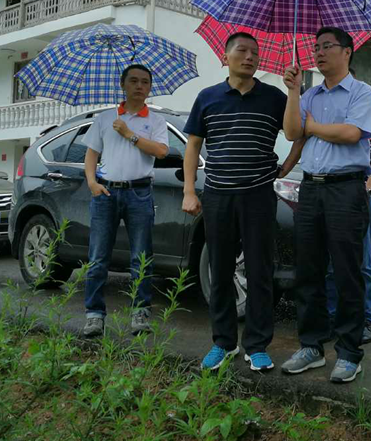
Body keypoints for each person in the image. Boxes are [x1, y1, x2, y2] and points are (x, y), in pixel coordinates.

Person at [183, 32, 291, 372]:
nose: (250, 57)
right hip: (218, 196)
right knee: (220, 270)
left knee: (260, 271)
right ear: (225, 57)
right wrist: (189, 190)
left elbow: (296, 133)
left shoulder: (274, 97)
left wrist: (286, 167)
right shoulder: (208, 97)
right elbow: (193, 146)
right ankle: (223, 343)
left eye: (255, 52)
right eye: (242, 50)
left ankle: (256, 345)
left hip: (259, 195)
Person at [280, 26, 371, 384]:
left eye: (326, 46)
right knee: (308, 270)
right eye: (315, 47)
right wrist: (293, 92)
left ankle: (349, 352)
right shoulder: (309, 95)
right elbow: (293, 132)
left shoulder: (362, 92)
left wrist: (314, 126)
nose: (318, 52)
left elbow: (352, 133)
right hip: (311, 189)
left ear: (347, 51)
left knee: (348, 271)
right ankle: (312, 346)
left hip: (346, 189)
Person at [82, 64, 169, 338]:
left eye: (145, 82)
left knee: (141, 257)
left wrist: (129, 134)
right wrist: (92, 183)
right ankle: (94, 315)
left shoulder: (155, 120)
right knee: (98, 257)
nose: (139, 86)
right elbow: (91, 154)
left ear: (150, 88)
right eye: (133, 81)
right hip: (106, 193)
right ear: (123, 85)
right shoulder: (106, 118)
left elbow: (161, 151)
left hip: (139, 193)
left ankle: (140, 313)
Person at [325, 67, 371, 345]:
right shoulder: (325, 110)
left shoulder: (368, 107)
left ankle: (366, 318)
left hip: (359, 194)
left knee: (363, 261)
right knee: (331, 262)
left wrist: (368, 185)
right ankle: (332, 317)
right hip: (332, 194)